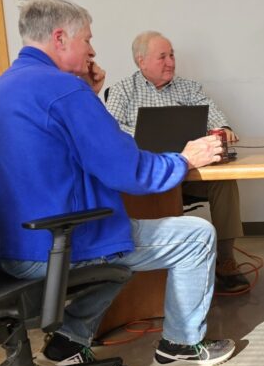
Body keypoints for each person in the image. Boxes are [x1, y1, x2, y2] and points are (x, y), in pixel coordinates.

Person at [0, 0, 235, 366]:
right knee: (196, 236)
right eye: (87, 40)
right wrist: (185, 160)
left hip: (4, 246)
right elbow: (127, 171)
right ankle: (179, 348)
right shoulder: (63, 90)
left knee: (117, 247)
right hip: (50, 245)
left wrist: (88, 96)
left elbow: (61, 146)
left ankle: (66, 345)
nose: (92, 51)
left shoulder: (4, 87)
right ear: (60, 38)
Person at [105, 31, 249, 293]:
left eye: (172, 55)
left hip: (189, 173)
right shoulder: (122, 90)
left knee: (224, 181)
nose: (171, 62)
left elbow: (215, 117)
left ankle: (226, 259)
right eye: (162, 57)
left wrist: (224, 128)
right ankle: (144, 262)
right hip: (148, 176)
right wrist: (142, 137)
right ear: (141, 61)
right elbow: (109, 131)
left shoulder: (189, 88)